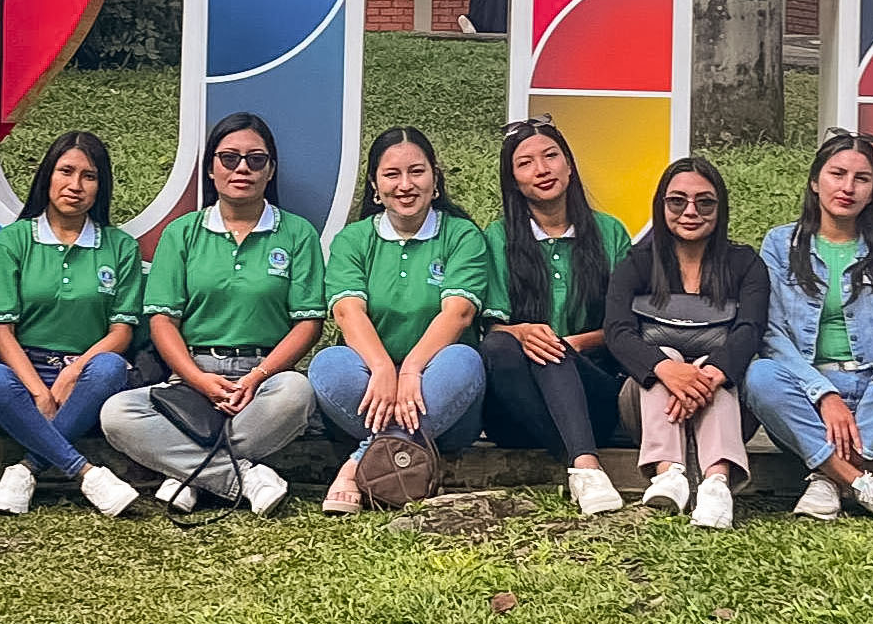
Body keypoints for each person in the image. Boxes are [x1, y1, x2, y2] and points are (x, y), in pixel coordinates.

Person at [99, 113, 323, 515]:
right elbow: (163, 320)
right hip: (192, 373)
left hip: (265, 375)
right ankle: (239, 478)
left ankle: (188, 475)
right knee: (117, 415)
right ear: (210, 168)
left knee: (299, 395)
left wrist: (257, 377)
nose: (241, 168)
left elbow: (308, 322)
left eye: (256, 159)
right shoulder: (182, 233)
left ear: (270, 170)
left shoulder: (297, 233)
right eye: (229, 158)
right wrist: (198, 379)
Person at [742, 129, 873, 525]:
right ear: (815, 182)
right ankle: (861, 483)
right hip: (808, 403)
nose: (848, 187)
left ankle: (827, 479)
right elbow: (771, 333)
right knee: (759, 374)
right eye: (837, 174)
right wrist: (823, 393)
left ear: (872, 190)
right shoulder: (780, 244)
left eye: (861, 178)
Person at [310, 126, 494, 512]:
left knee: (464, 359)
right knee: (328, 363)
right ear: (375, 186)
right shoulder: (354, 240)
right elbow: (347, 311)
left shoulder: (462, 236)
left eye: (417, 171)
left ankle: (359, 462)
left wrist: (410, 371)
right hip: (370, 392)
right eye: (392, 174)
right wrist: (382, 369)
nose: (405, 185)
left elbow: (458, 313)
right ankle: (395, 451)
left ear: (435, 178)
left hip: (440, 399)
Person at [0, 131, 144, 517]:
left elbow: (121, 332)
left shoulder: (120, 247)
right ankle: (86, 473)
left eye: (89, 176)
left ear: (101, 187)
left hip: (86, 373)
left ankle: (26, 469)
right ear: (46, 176)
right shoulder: (13, 241)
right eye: (65, 171)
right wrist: (38, 391)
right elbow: (2, 330)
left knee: (111, 367)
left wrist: (72, 374)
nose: (75, 185)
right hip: (25, 369)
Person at [473, 118, 636, 517]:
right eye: (525, 163)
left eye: (551, 156)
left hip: (594, 396)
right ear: (513, 180)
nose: (542, 170)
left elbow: (626, 325)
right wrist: (523, 332)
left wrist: (574, 345)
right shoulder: (499, 237)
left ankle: (583, 464)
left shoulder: (608, 232)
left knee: (553, 351)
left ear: (569, 165)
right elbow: (492, 325)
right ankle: (583, 463)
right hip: (516, 410)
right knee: (500, 343)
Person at [605, 154, 769, 531]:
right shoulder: (636, 263)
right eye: (677, 201)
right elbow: (617, 332)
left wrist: (706, 375)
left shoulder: (745, 264)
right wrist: (667, 370)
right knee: (666, 354)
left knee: (719, 366)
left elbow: (751, 331)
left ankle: (717, 484)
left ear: (720, 206)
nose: (690, 211)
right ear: (661, 206)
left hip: (724, 403)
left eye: (704, 202)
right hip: (646, 404)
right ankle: (669, 474)